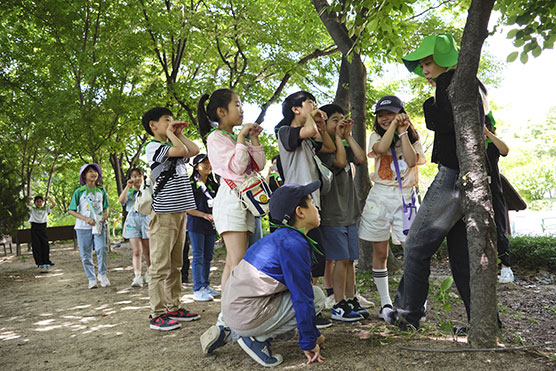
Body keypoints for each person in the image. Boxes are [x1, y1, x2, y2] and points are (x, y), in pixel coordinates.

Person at [382, 33, 482, 330]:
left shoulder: (447, 84)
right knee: (462, 258)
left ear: (443, 61)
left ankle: (408, 315)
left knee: (415, 245)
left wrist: (430, 101)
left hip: (452, 174)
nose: (425, 69)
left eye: (428, 62)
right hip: (472, 177)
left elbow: (439, 123)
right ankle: (483, 322)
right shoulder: (471, 86)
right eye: (422, 64)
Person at [200, 181, 326, 367]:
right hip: (245, 312)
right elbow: (302, 296)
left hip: (234, 309)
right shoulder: (294, 244)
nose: (316, 208)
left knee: (303, 296)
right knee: (316, 297)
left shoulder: (278, 238)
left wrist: (314, 333)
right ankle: (256, 339)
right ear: (300, 212)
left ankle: (233, 331)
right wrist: (309, 341)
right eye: (313, 204)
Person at [358, 96, 426, 319]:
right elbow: (381, 148)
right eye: (381, 115)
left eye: (391, 113)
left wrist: (404, 131)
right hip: (380, 196)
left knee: (413, 250)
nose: (386, 118)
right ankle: (386, 303)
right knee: (380, 251)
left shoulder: (413, 137)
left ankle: (415, 303)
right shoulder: (375, 136)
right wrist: (393, 127)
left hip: (406, 197)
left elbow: (412, 160)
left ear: (401, 113)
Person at [275, 91, 335, 328]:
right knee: (302, 259)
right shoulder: (285, 132)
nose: (315, 106)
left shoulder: (308, 137)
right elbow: (309, 132)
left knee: (316, 258)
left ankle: (311, 305)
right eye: (310, 103)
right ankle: (304, 309)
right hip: (296, 207)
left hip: (312, 204)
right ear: (296, 109)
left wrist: (319, 122)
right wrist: (313, 120)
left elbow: (328, 147)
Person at [197, 89, 265, 293]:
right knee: (237, 261)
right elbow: (237, 166)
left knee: (235, 261)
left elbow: (258, 165)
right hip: (231, 202)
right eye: (237, 105)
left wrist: (252, 139)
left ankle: (229, 314)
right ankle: (230, 316)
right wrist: (241, 138)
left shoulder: (234, 137)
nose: (242, 110)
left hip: (243, 202)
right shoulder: (215, 137)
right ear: (221, 111)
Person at [142, 106, 201, 331]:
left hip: (180, 213)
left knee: (176, 264)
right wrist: (173, 135)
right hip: (164, 213)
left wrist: (180, 133)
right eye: (167, 120)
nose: (172, 122)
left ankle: (173, 307)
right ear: (153, 126)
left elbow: (193, 149)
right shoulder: (153, 147)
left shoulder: (171, 144)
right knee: (160, 266)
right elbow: (180, 150)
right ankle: (156, 313)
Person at [317, 104, 369, 322]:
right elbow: (338, 162)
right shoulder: (324, 149)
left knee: (349, 260)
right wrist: (338, 137)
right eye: (334, 119)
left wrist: (348, 136)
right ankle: (338, 303)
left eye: (342, 118)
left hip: (349, 213)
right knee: (340, 259)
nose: (340, 122)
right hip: (333, 214)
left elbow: (361, 157)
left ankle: (350, 298)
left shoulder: (344, 145)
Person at [68, 163, 110, 289]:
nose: (93, 174)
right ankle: (91, 278)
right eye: (90, 171)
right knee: (86, 254)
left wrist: (104, 216)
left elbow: (106, 208)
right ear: (84, 175)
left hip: (99, 226)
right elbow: (71, 210)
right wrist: (86, 219)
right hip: (83, 227)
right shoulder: (79, 192)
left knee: (102, 249)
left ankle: (102, 274)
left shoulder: (101, 191)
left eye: (95, 171)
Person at [186, 153, 221, 301]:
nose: (208, 165)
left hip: (211, 225)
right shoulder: (190, 184)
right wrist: (203, 215)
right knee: (198, 256)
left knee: (208, 256)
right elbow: (187, 208)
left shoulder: (214, 184)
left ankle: (206, 285)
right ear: (196, 167)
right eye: (204, 163)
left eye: (210, 162)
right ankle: (197, 288)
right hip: (196, 224)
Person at [484, 114, 514, 283]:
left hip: (495, 192)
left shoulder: (492, 145)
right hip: (474, 195)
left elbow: (505, 150)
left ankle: (506, 268)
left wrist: (488, 134)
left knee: (499, 231)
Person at [118, 168, 151, 288]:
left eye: (138, 176)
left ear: (143, 177)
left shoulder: (148, 190)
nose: (136, 178)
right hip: (132, 222)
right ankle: (137, 276)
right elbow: (121, 201)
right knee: (137, 251)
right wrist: (127, 187)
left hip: (147, 221)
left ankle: (149, 273)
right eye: (133, 176)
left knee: (148, 251)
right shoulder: (130, 192)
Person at [28, 195, 56, 270]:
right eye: (37, 202)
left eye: (40, 201)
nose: (39, 203)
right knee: (36, 245)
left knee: (45, 244)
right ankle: (39, 262)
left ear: (43, 202)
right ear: (35, 203)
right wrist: (27, 199)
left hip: (43, 227)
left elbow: (54, 204)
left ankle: (46, 261)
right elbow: (25, 206)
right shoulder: (32, 209)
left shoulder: (45, 209)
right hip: (35, 227)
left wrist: (49, 198)